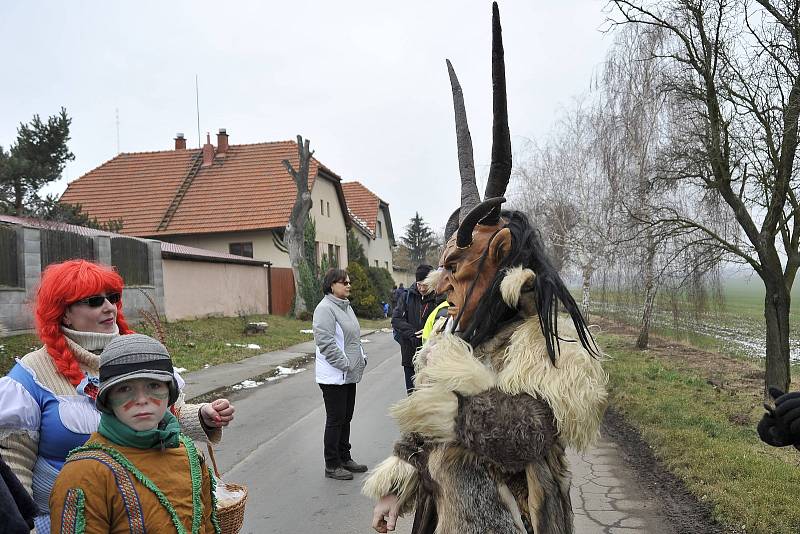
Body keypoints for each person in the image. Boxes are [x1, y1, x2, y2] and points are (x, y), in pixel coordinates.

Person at [364, 5, 607, 533]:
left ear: (497, 255)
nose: (446, 286)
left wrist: (459, 385)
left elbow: (526, 436)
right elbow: (427, 431)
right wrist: (398, 487)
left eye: (460, 268)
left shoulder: (547, 339)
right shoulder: (458, 332)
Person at [0, 259, 234, 532]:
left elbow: (167, 413)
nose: (109, 307)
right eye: (93, 301)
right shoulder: (32, 374)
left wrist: (202, 417)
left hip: (147, 509)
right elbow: (14, 459)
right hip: (67, 518)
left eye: (112, 297)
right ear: (64, 312)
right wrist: (24, 525)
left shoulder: (137, 351)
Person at [50, 334, 219, 533]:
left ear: (169, 392)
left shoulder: (189, 455)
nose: (141, 400)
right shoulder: (83, 474)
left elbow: (206, 526)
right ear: (107, 399)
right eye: (125, 389)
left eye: (154, 385)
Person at [313, 268, 368, 481]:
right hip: (334, 376)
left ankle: (345, 458)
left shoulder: (346, 307)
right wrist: (345, 364)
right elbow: (325, 342)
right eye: (343, 282)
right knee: (335, 419)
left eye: (348, 282)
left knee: (346, 418)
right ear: (331, 285)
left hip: (349, 374)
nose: (348, 285)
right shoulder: (325, 309)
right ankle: (332, 464)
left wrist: (361, 358)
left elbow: (354, 338)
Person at [391, 265, 437, 395]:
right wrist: (412, 333)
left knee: (430, 397)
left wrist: (428, 331)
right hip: (409, 355)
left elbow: (443, 321)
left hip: (431, 357)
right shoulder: (406, 296)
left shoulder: (439, 298)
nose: (422, 288)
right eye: (419, 284)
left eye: (425, 285)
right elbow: (396, 319)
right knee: (412, 395)